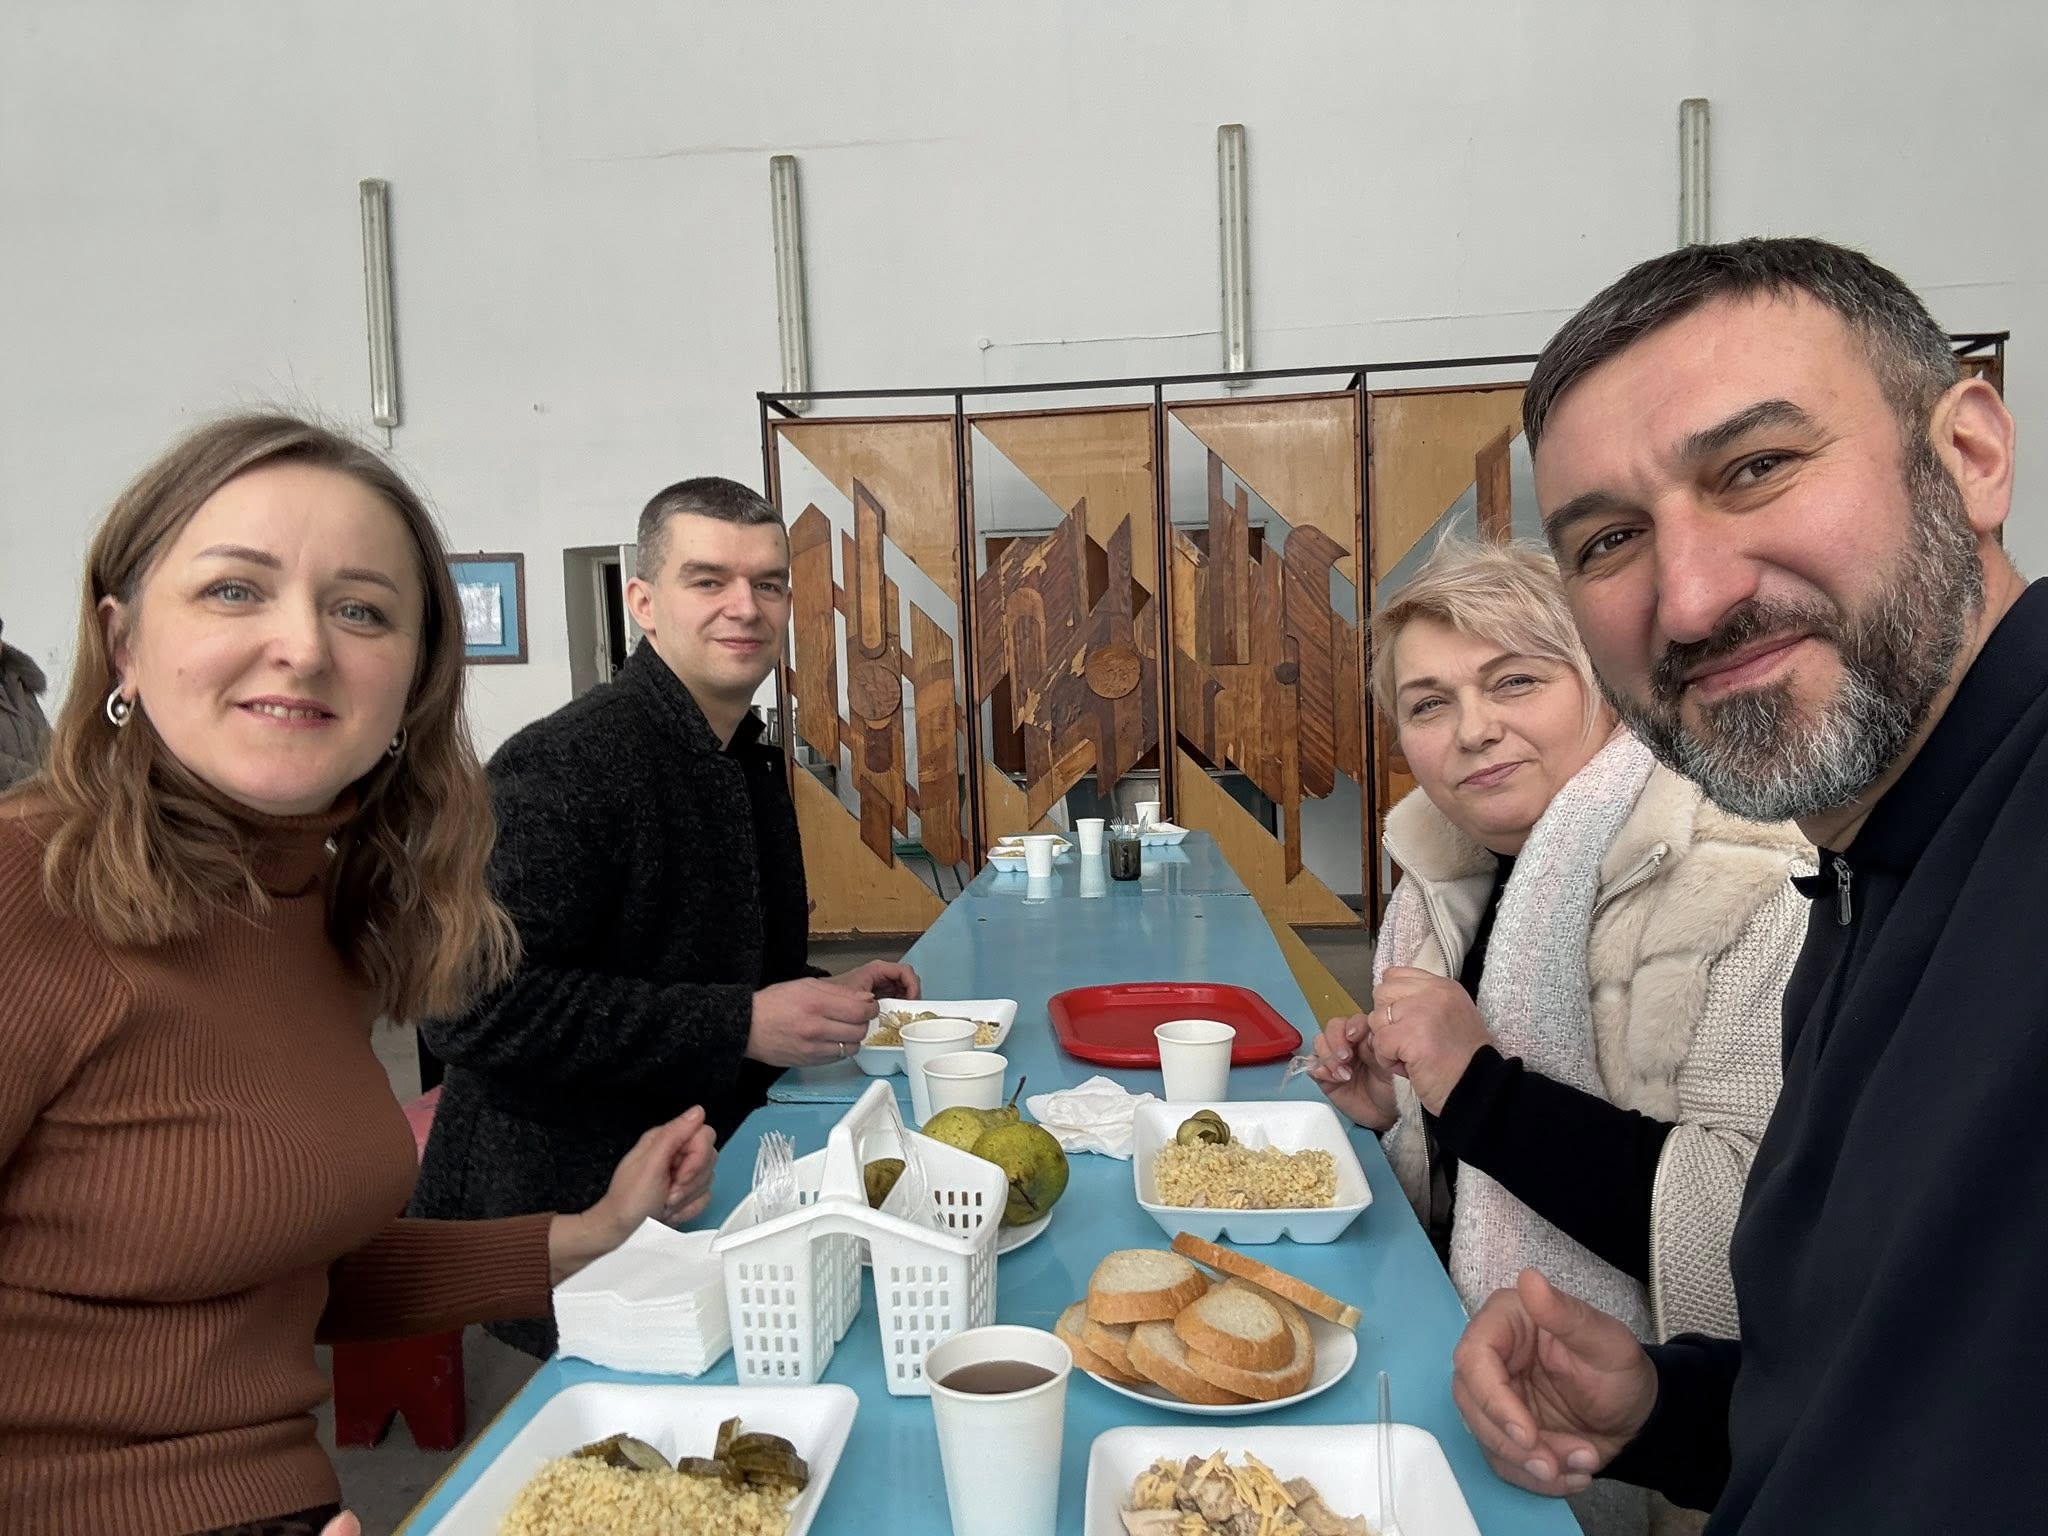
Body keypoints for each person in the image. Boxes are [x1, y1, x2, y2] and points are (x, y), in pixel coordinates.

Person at [0, 414, 720, 1536]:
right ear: (124, 640)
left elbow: (285, 1263)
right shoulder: (25, 888)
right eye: (235, 590)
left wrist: (589, 1231)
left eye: (361, 610)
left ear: (414, 683)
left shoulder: (317, 911)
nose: (303, 646)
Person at [1449, 236, 2044, 1534]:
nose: (1690, 598)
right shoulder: (1859, 875)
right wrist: (1663, 1410)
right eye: (1610, 539)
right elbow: (1894, 1401)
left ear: (1969, 455)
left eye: (1756, 467)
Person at [1310, 537, 1805, 1535]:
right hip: (1463, 1379)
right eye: (1428, 704)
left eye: (1515, 681)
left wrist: (1474, 1088)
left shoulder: (1746, 876)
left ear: (1603, 685)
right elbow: (1473, 1198)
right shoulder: (1437, 889)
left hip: (1689, 1466)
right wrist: (1396, 1118)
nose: (1473, 731)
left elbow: (1755, 1238)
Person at [413, 475, 917, 1357]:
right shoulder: (567, 764)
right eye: (708, 580)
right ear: (643, 603)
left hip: (704, 1172)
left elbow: (699, 966)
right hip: (566, 1202)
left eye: (767, 583)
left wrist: (814, 992)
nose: (744, 607)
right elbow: (467, 1007)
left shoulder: (742, 756)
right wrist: (741, 1021)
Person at [0, 612, 51, 789]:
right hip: (11, 801)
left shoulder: (19, 680)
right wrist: (36, 778)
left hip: (38, 797)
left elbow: (43, 734)